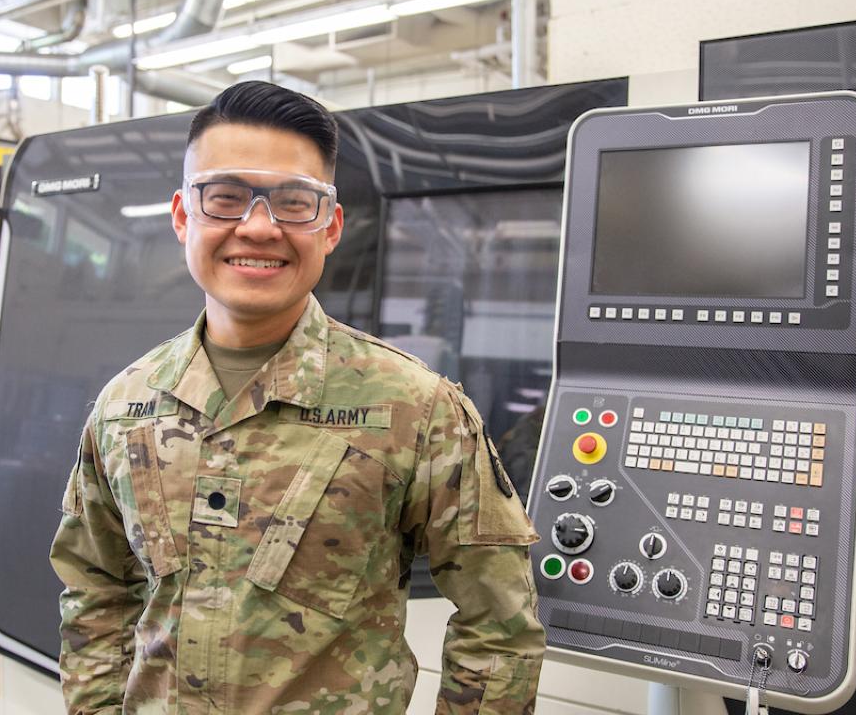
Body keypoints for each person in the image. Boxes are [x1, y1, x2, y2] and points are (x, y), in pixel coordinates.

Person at [49, 81, 545, 715]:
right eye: (224, 198)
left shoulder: (416, 409)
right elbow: (95, 591)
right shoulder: (126, 406)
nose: (259, 227)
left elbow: (500, 627)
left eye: (294, 203)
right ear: (182, 216)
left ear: (331, 226)